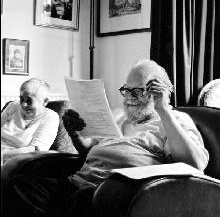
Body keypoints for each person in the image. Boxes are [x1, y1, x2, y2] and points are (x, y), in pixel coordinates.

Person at [1, 59, 209, 217]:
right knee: (19, 186)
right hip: (78, 182)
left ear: (161, 92)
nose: (128, 98)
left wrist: (163, 110)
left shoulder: (175, 120)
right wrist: (76, 135)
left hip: (117, 194)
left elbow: (194, 164)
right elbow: (89, 150)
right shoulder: (119, 116)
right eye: (126, 90)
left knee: (79, 201)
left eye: (137, 91)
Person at [1, 78, 59, 165]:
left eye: (29, 100)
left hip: (17, 162)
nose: (23, 104)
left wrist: (3, 155)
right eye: (21, 99)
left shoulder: (50, 117)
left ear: (45, 101)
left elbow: (36, 150)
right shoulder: (13, 106)